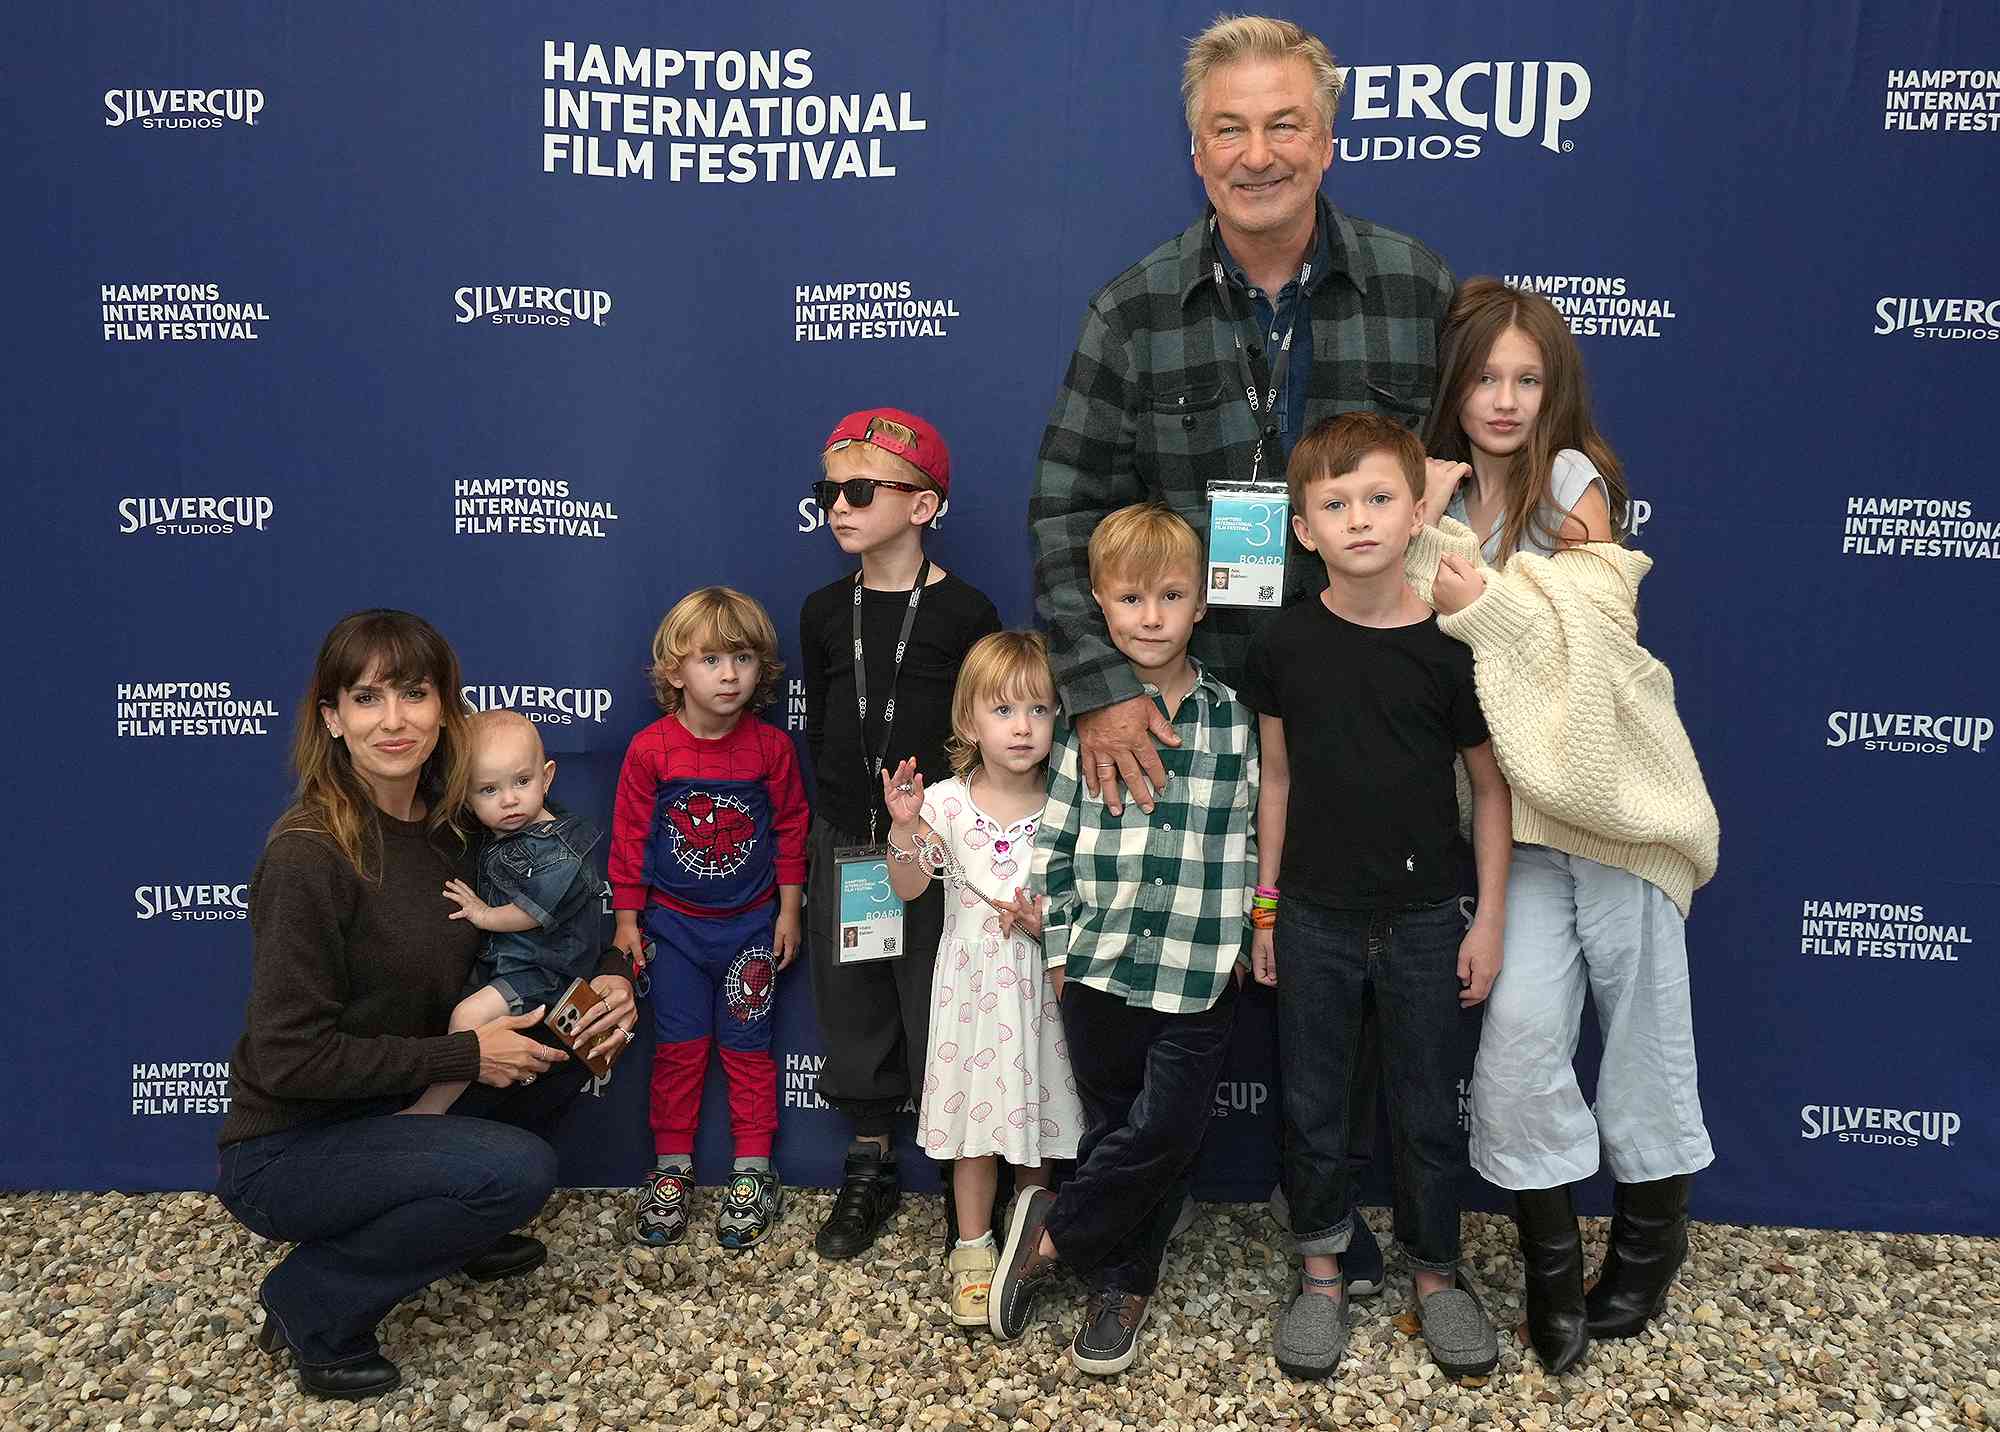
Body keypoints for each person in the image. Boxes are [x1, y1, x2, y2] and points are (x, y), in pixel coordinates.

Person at [1028, 14, 1455, 1287]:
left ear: (1326, 140)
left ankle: (1335, 1208)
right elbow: (1064, 506)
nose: (1256, 151)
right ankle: (1124, 1237)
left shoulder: (1413, 286)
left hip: (1361, 695)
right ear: (1194, 145)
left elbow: (1477, 471)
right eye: (1228, 127)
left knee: (1359, 967)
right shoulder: (1134, 304)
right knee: (1169, 994)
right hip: (1195, 711)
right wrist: (1101, 690)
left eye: (1283, 124)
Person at [1408, 278, 1720, 1373]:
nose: (1503, 399)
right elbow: (1411, 628)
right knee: (1519, 1041)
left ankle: (1645, 1247)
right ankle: (1549, 1264)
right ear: (1455, 385)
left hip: (1617, 817)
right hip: (1516, 831)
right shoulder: (1433, 498)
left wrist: (1477, 596)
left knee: (1643, 1036)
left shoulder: (1573, 477)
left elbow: (1586, 633)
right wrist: (1420, 517)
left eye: (1526, 379)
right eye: (1485, 377)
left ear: (1555, 390)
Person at [215, 610, 638, 1401]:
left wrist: (611, 975)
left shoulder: (456, 827)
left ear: (447, 708)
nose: (395, 719)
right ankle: (312, 1302)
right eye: (367, 698)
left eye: (414, 692)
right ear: (333, 719)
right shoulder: (310, 856)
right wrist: (469, 1057)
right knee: (518, 1172)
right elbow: (289, 1058)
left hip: (399, 1099)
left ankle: (450, 1228)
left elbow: (554, 926)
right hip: (293, 1145)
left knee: (576, 1039)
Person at [1239, 414, 1511, 1380]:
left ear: (1416, 513)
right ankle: (1319, 1272)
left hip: (1431, 918)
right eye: (1335, 504)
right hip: (1310, 913)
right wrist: (1266, 909)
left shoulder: (1452, 647)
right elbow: (1275, 780)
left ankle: (1437, 1274)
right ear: (1304, 529)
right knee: (1314, 1103)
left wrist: (1491, 920)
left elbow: (1489, 788)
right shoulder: (1282, 646)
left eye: (1380, 498)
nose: (1360, 519)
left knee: (1427, 1107)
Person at [991, 504, 1256, 1377]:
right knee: (1117, 1128)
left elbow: (1253, 837)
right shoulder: (1081, 722)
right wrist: (1062, 951)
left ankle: (1054, 1236)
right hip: (1098, 964)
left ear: (1202, 605)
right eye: (1132, 598)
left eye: (1171, 596)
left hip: (1198, 966)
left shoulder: (1233, 719)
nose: (1151, 616)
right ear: (1099, 608)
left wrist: (1256, 927)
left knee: (1168, 1128)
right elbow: (1056, 844)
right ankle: (1123, 1284)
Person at [799, 407, 1002, 1259]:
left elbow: (983, 731)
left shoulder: (966, 611)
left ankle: (969, 1184)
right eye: (827, 492)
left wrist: (943, 830)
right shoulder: (820, 611)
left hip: (938, 845)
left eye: (857, 489)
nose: (837, 507)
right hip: (847, 838)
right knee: (853, 1010)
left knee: (939, 1002)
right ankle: (870, 1161)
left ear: (922, 506)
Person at [879, 630, 1084, 1328]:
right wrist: (905, 826)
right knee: (974, 1130)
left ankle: (1028, 1252)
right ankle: (972, 1250)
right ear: (969, 721)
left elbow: (1086, 897)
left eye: (1039, 709)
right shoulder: (944, 800)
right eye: (1003, 711)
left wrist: (1044, 925)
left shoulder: (1070, 800)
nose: (1023, 727)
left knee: (1039, 1125)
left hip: (1040, 991)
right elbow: (907, 886)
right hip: (970, 991)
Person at [612, 587, 808, 1250]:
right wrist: (628, 921)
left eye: (744, 658)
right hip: (672, 929)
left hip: (752, 927)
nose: (729, 675)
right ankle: (672, 1169)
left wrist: (788, 910)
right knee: (679, 1051)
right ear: (675, 671)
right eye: (711, 660)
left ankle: (753, 1171)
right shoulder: (651, 750)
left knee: (749, 1052)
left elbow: (789, 829)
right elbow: (631, 836)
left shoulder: (771, 750)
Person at [404, 709, 606, 1115]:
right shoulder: (497, 832)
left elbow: (530, 914)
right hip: (508, 964)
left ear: (546, 777)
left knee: (466, 1017)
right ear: (466, 795)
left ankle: (432, 1108)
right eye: (488, 790)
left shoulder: (559, 850)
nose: (510, 800)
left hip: (545, 975)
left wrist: (482, 915)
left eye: (522, 781)